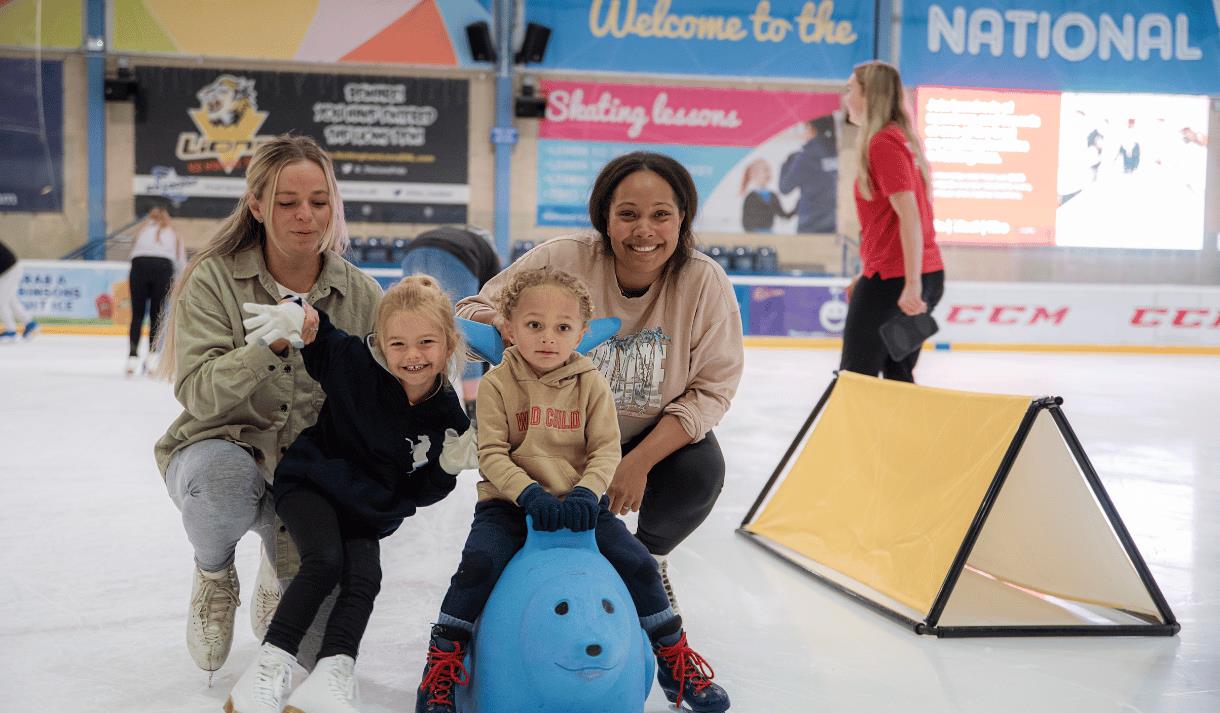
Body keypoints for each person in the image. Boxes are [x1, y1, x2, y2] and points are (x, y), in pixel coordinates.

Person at [454, 151, 743, 708]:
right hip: (553, 441)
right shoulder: (563, 258)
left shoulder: (703, 283)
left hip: (641, 439)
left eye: (662, 215)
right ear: (604, 217)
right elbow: (472, 309)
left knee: (701, 468)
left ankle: (649, 561)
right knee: (489, 550)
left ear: (682, 220)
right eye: (628, 213)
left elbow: (713, 389)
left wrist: (637, 463)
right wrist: (515, 328)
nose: (645, 231)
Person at [417, 267, 729, 713]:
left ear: (582, 332)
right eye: (534, 325)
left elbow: (605, 450)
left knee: (639, 565)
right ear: (508, 328)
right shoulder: (497, 385)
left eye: (563, 327)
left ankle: (673, 660)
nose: (548, 337)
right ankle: (440, 669)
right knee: (477, 565)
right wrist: (527, 494)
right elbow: (492, 454)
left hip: (582, 507)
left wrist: (587, 492)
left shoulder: (592, 384)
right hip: (509, 506)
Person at [153, 135, 384, 680]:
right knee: (218, 481)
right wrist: (266, 349)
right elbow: (199, 392)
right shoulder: (214, 278)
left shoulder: (362, 295)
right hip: (228, 451)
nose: (306, 216)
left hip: (311, 478)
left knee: (318, 650)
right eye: (287, 202)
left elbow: (376, 402)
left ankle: (279, 571)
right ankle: (213, 572)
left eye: (319, 201)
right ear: (256, 206)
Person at [227, 275, 478, 713]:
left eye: (426, 342)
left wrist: (444, 469)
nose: (413, 356)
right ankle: (266, 670)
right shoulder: (355, 362)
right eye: (397, 344)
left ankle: (333, 674)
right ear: (380, 341)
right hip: (312, 482)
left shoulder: (447, 414)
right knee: (326, 562)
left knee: (365, 578)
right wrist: (297, 312)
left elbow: (418, 492)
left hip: (366, 506)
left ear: (449, 342)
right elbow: (320, 333)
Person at [840, 60, 945, 383]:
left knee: (857, 378)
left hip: (897, 281)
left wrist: (909, 284)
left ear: (868, 95)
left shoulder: (883, 143)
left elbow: (909, 215)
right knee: (898, 375)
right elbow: (888, 222)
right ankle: (907, 435)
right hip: (921, 275)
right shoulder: (901, 139)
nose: (845, 98)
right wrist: (867, 271)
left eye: (850, 90)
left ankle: (861, 436)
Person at [126, 205, 184, 375]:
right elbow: (180, 261)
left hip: (139, 266)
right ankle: (152, 360)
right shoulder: (173, 233)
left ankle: (132, 358)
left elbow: (132, 255)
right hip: (163, 268)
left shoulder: (141, 230)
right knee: (156, 316)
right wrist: (179, 281)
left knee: (137, 315)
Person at [778, 114, 839, 234]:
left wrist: (786, 163)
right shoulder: (834, 152)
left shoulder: (806, 156)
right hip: (832, 220)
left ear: (810, 128)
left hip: (811, 222)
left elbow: (784, 188)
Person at [739, 158, 794, 232]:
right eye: (765, 170)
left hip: (769, 235)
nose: (768, 173)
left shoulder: (772, 196)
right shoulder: (751, 197)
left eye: (768, 170)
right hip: (754, 237)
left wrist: (797, 207)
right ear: (754, 174)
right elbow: (746, 222)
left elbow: (784, 216)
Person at [0, 240, 38, 342]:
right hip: (9, 271)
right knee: (11, 300)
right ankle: (29, 323)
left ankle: (11, 331)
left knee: (1, 302)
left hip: (10, 271)